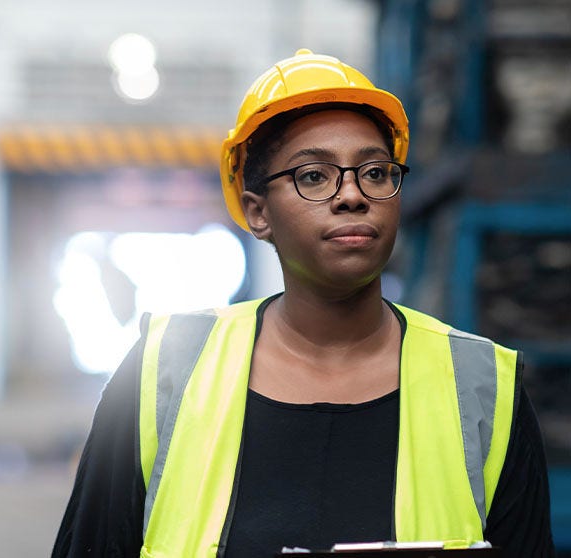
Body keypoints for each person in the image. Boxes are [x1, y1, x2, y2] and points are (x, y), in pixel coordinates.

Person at [52, 49, 555, 558]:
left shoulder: (484, 387)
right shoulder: (163, 374)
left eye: (376, 172)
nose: (353, 195)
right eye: (313, 176)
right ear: (258, 213)